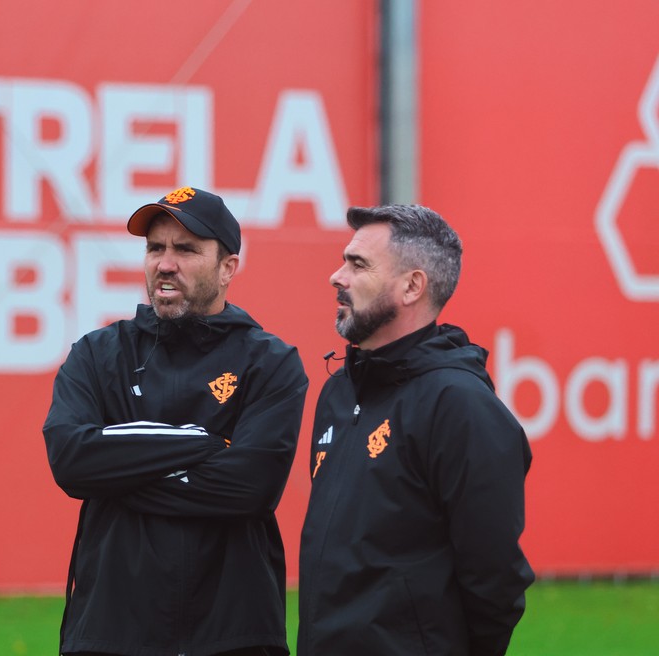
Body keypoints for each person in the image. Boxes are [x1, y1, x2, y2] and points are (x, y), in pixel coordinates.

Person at [43, 186, 309, 656]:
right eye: (155, 248)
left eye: (185, 249)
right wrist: (205, 444)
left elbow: (251, 486)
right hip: (110, 632)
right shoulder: (97, 355)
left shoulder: (270, 362)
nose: (165, 264)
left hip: (234, 635)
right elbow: (72, 460)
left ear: (227, 268)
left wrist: (120, 473)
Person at [297, 204, 534, 656]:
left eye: (358, 264)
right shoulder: (339, 391)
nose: (336, 277)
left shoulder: (460, 405)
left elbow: (495, 579)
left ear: (412, 286)